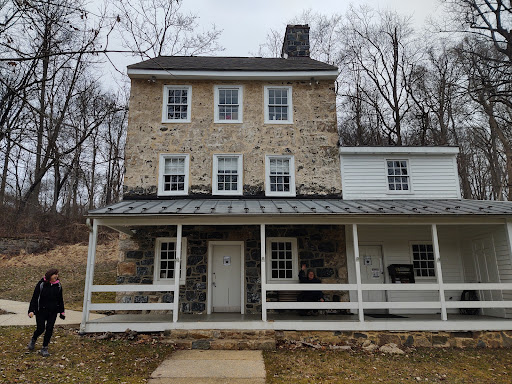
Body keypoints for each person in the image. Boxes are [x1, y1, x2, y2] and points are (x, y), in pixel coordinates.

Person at [27, 268, 65, 357]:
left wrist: (62, 312)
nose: (56, 276)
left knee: (49, 328)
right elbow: (34, 298)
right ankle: (33, 339)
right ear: (49, 275)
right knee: (40, 328)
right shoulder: (41, 284)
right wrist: (31, 310)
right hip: (41, 311)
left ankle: (44, 348)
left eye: (57, 274)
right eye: (54, 274)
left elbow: (60, 299)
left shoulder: (58, 286)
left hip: (53, 312)